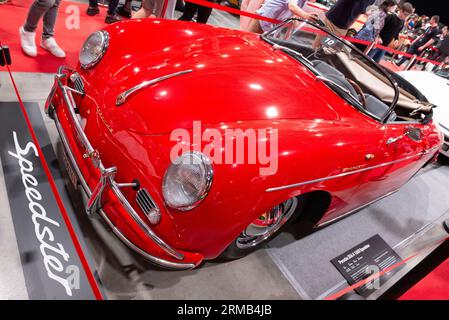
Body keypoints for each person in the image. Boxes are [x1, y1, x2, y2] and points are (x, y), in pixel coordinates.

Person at [247, 0, 318, 34]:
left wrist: (304, 15)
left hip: (272, 24)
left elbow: (293, 8)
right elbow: (292, 7)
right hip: (263, 19)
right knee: (247, 41)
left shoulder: (303, 1)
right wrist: (306, 15)